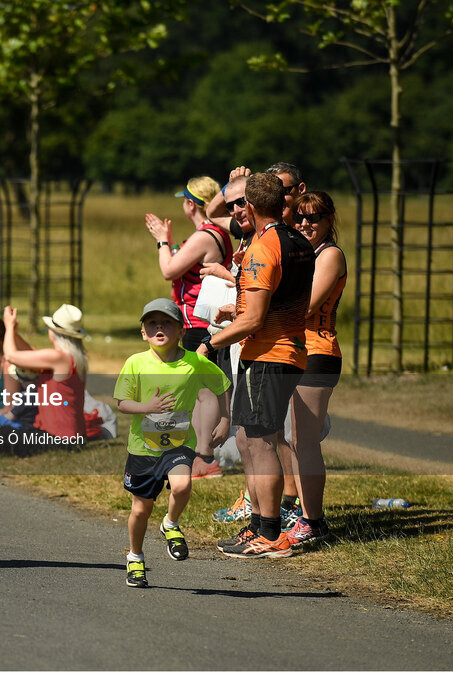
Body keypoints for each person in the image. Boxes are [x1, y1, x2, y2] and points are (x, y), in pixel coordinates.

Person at [197, 172, 314, 559]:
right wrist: (241, 307)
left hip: (269, 355)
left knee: (262, 442)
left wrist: (209, 343)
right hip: (282, 351)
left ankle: (271, 532)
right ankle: (258, 526)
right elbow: (274, 301)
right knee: (248, 438)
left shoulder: (265, 247)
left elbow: (256, 319)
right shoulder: (297, 239)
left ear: (249, 206)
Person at [115, 298, 230, 587]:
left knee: (181, 485)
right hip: (144, 448)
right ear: (143, 332)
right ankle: (135, 557)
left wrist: (226, 420)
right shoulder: (136, 363)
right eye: (152, 323)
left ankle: (171, 523)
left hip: (178, 445)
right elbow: (122, 403)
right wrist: (147, 407)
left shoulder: (194, 362)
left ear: (181, 331)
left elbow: (222, 385)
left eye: (166, 322)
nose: (159, 328)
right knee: (141, 510)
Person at [145, 176, 234, 480]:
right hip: (200, 320)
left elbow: (168, 269)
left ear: (189, 204)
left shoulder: (206, 235)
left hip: (199, 322)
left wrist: (162, 240)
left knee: (204, 391)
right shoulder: (215, 232)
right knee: (198, 390)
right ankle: (198, 455)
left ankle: (206, 458)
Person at [287, 191, 345, 548]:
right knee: (294, 439)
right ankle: (303, 515)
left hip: (318, 352)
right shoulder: (303, 253)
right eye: (301, 217)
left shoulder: (330, 255)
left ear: (328, 221)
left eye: (315, 217)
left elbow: (307, 306)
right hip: (295, 351)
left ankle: (314, 522)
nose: (306, 223)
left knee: (305, 440)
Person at [0, 304, 89, 457]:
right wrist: (14, 334)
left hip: (58, 440)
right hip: (67, 437)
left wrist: (8, 327)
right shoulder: (71, 359)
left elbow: (11, 356)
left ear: (53, 333)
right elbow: (32, 353)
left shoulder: (59, 357)